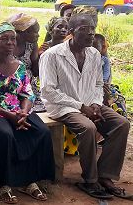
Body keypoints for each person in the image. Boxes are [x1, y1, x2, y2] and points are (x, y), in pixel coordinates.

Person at [40, 13, 131, 200]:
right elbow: (48, 91)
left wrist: (96, 104)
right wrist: (81, 106)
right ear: (71, 32)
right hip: (62, 106)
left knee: (121, 124)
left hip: (90, 103)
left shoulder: (94, 54)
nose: (90, 34)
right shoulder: (52, 55)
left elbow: (98, 84)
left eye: (92, 29)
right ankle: (90, 179)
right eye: (84, 29)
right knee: (88, 127)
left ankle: (106, 175)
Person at [0, 23, 54, 204]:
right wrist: (9, 116)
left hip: (18, 110)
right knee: (5, 134)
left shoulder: (20, 66)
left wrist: (23, 113)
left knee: (41, 131)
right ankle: (5, 183)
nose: (10, 42)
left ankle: (30, 181)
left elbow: (27, 93)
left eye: (12, 39)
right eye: (4, 38)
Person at [8, 13, 44, 113]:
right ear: (25, 32)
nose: (38, 35)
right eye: (35, 32)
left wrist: (40, 57)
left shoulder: (32, 45)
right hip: (10, 87)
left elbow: (36, 71)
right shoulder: (8, 44)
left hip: (29, 87)